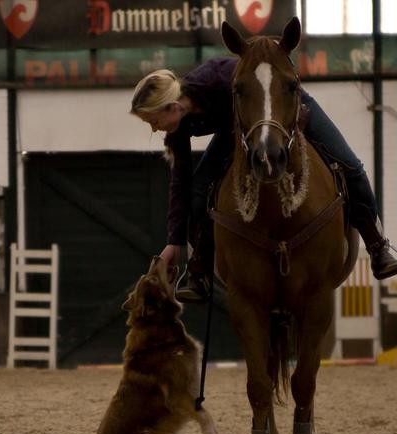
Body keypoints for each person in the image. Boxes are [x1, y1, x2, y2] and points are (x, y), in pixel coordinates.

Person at [131, 57, 397, 302]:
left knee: (350, 165)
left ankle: (377, 246)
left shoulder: (219, 78)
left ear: (172, 106)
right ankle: (198, 269)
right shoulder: (179, 125)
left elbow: (270, 87)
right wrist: (174, 242)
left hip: (285, 105)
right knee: (198, 189)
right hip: (236, 129)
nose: (154, 128)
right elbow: (181, 183)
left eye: (153, 121)